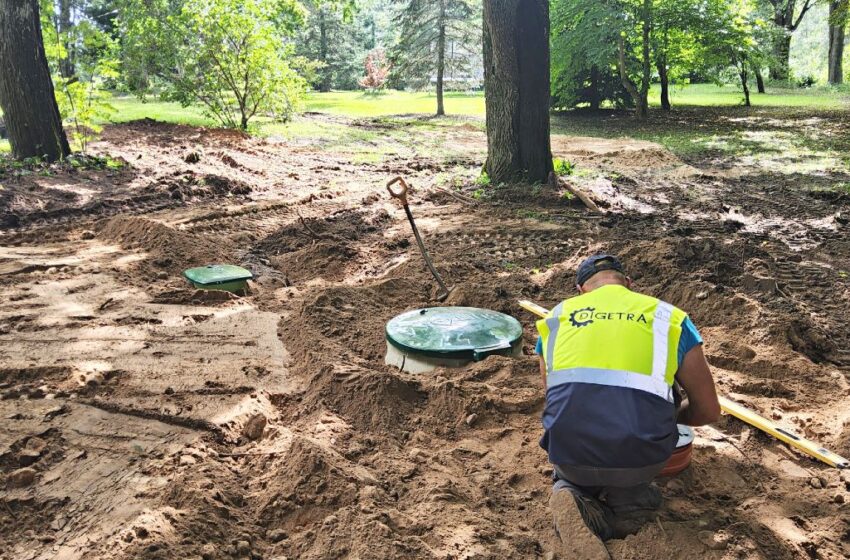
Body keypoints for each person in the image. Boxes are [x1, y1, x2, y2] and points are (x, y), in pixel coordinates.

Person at [535, 254, 720, 559]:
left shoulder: (557, 317)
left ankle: (570, 492)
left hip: (568, 451)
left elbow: (556, 397)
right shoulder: (669, 317)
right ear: (629, 285)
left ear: (581, 290)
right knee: (661, 395)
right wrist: (670, 418)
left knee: (575, 421)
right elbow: (709, 411)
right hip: (640, 457)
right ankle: (631, 502)